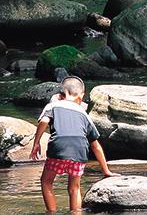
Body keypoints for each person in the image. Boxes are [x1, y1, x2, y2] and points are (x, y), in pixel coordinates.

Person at [29, 76, 118, 213]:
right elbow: (96, 146)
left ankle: (52, 212)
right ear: (81, 96)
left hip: (59, 147)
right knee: (74, 188)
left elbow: (44, 121)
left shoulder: (53, 105)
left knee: (46, 182)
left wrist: (36, 143)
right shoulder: (84, 114)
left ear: (60, 95)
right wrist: (106, 171)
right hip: (79, 150)